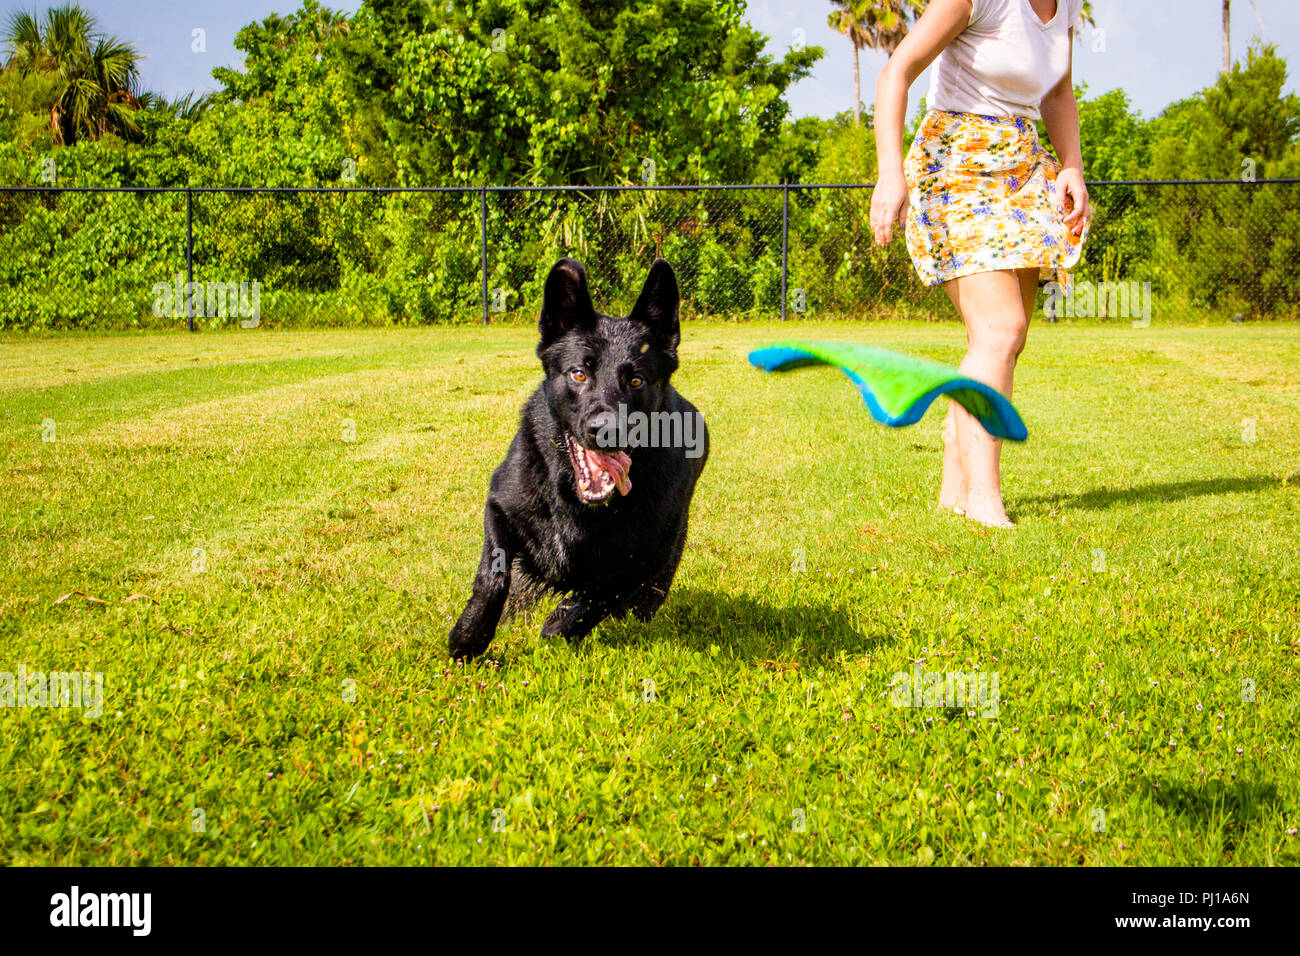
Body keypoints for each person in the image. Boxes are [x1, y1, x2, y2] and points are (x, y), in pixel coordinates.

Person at [871, 0, 1091, 528]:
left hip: (1021, 168)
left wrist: (1072, 167)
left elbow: (1058, 91)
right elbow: (895, 71)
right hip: (956, 163)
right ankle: (985, 502)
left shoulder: (1066, 8)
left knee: (999, 342)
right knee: (1001, 329)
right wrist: (889, 172)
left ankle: (954, 492)